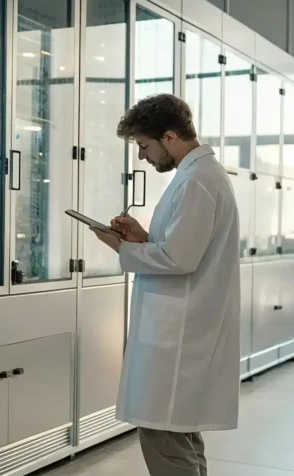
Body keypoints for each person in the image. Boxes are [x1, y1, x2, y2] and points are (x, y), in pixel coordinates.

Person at [91, 93, 241, 476]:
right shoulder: (198, 176)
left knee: (166, 440)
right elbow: (180, 246)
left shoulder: (197, 181)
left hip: (179, 338)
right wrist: (143, 239)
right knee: (181, 439)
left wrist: (122, 247)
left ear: (170, 136)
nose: (142, 156)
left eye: (144, 145)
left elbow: (179, 259)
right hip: (182, 332)